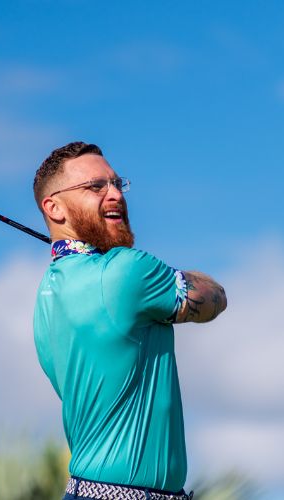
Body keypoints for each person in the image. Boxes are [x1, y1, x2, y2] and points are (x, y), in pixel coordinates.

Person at [33, 142, 227, 500]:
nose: (115, 195)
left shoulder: (47, 292)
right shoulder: (128, 270)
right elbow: (215, 299)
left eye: (117, 184)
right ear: (54, 207)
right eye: (95, 187)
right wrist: (175, 274)